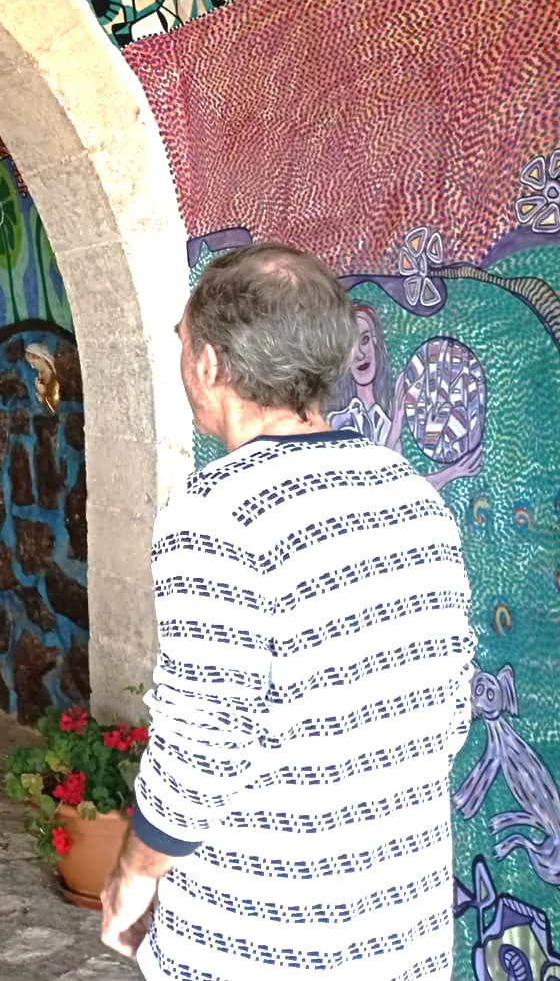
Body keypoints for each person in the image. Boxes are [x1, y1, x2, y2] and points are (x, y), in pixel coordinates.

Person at [101, 243, 476, 979]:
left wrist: (138, 867)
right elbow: (447, 703)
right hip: (403, 920)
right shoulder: (409, 492)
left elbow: (201, 741)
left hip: (267, 933)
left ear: (209, 364)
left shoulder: (217, 514)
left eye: (182, 342)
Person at [327, 302, 483, 489]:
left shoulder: (384, 422)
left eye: (365, 340)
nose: (359, 354)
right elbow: (373, 484)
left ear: (375, 341)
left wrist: (452, 472)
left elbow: (399, 488)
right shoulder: (340, 422)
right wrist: (398, 421)